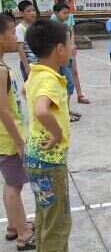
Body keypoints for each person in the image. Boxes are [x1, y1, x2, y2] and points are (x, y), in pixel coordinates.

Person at [23, 19, 73, 251]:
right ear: (59, 49)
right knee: (58, 224)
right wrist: (57, 131)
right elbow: (41, 109)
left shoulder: (35, 74)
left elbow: (25, 91)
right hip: (51, 163)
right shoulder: (50, 78)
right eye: (69, 43)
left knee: (44, 217)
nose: (72, 48)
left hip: (34, 159)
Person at [0, 13, 36, 251]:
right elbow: (2, 110)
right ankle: (23, 234)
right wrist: (19, 142)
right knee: (15, 185)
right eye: (12, 32)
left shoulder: (3, 65)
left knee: (11, 183)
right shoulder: (0, 70)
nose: (16, 35)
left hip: (6, 138)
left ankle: (14, 225)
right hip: (8, 138)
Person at [51, 0, 91, 105]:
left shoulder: (68, 18)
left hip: (69, 48)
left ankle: (78, 96)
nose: (68, 6)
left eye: (69, 3)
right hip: (61, 54)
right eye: (66, 3)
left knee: (74, 72)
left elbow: (71, 31)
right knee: (66, 82)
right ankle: (65, 109)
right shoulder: (55, 22)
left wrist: (71, 44)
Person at [52, 2, 82, 122]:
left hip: (68, 56)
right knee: (69, 84)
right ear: (56, 13)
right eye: (64, 13)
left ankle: (66, 109)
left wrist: (71, 47)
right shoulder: (54, 28)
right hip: (60, 60)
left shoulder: (65, 25)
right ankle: (63, 112)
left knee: (66, 85)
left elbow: (69, 38)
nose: (66, 15)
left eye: (68, 13)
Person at [15, 0, 36, 81]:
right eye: (29, 11)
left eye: (33, 10)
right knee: (30, 88)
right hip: (29, 63)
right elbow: (20, 48)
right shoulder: (20, 28)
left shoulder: (37, 26)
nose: (32, 13)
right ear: (21, 13)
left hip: (39, 62)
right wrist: (26, 66)